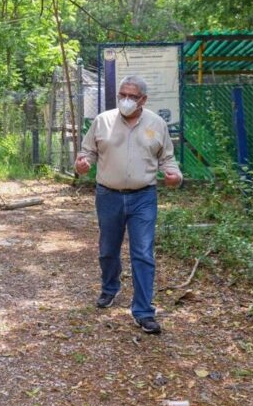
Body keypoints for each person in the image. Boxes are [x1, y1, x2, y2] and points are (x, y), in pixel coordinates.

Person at [75, 75, 182, 334]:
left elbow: (167, 158)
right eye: (122, 94)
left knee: (143, 253)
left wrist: (174, 176)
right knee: (107, 249)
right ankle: (110, 288)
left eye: (132, 96)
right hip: (108, 195)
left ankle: (144, 311)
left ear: (143, 100)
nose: (126, 100)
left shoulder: (157, 124)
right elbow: (86, 152)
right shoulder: (102, 121)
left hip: (143, 197)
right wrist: (82, 165)